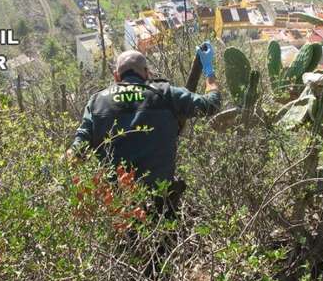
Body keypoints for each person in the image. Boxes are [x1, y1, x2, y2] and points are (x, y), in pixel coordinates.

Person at [67, 42, 221, 215]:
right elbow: (212, 104)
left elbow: (77, 152)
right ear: (147, 73)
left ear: (116, 76)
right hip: (161, 208)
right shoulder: (166, 94)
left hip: (116, 211)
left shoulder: (96, 102)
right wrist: (209, 71)